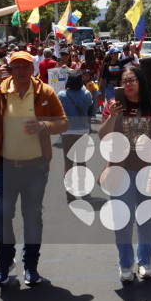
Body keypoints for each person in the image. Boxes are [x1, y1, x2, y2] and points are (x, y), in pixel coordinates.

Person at [0, 50, 69, 287]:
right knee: (1, 217)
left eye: (26, 66)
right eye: (16, 67)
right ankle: (5, 263)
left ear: (33, 69)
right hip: (5, 167)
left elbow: (63, 123)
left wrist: (43, 126)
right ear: (10, 70)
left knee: (32, 218)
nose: (21, 71)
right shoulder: (1, 90)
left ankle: (31, 266)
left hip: (36, 168)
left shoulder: (44, 92)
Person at [99, 65, 151, 282]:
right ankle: (125, 264)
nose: (128, 84)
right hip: (120, 170)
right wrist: (112, 117)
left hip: (149, 171)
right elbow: (103, 135)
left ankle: (145, 262)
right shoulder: (113, 105)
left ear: (141, 82)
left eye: (132, 79)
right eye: (124, 81)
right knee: (123, 220)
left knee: (147, 219)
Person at [58, 70, 93, 203]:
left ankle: (69, 191)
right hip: (82, 129)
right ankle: (83, 188)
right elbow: (90, 105)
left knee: (68, 162)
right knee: (81, 161)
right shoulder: (86, 94)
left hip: (67, 130)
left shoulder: (62, 94)